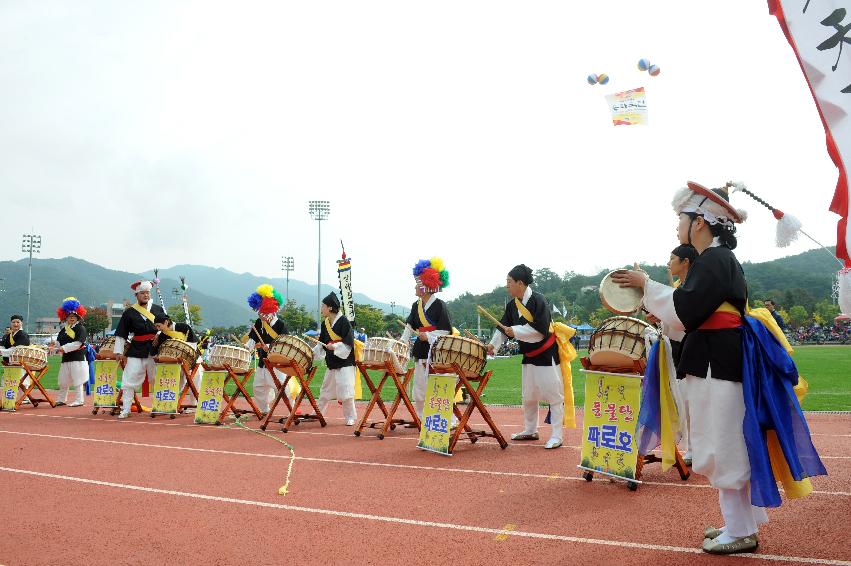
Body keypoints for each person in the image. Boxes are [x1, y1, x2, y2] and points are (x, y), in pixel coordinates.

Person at [612, 181, 826, 555]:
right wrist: (656, 298)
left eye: (681, 217)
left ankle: (741, 530)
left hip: (719, 365)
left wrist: (647, 285)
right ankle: (739, 524)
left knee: (724, 444)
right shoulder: (713, 261)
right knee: (722, 442)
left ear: (699, 222)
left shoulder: (715, 260)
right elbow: (686, 316)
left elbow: (685, 309)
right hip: (716, 361)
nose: (677, 225)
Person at [487, 264, 564, 449]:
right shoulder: (513, 305)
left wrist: (514, 331)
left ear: (520, 283)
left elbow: (541, 331)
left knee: (554, 395)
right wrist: (493, 345)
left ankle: (557, 435)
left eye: (509, 282)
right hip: (529, 355)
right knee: (529, 396)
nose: (507, 286)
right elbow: (503, 328)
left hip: (546, 354)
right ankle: (530, 430)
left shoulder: (539, 300)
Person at [400, 257, 452, 420]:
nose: (415, 287)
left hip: (436, 353)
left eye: (418, 283)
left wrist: (428, 335)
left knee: (438, 388)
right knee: (419, 390)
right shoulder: (416, 305)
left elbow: (446, 330)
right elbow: (409, 325)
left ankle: (444, 419)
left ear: (425, 286)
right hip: (421, 351)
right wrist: (402, 341)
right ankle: (422, 418)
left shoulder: (440, 305)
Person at [114, 281, 167, 419]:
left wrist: (159, 336)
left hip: (155, 349)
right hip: (136, 349)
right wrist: (119, 351)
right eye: (142, 293)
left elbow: (167, 327)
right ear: (136, 295)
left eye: (147, 292)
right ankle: (126, 409)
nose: (145, 295)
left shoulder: (157, 309)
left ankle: (161, 406)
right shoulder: (129, 312)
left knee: (157, 378)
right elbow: (121, 333)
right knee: (128, 379)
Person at [245, 284, 295, 415]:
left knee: (284, 389)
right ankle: (265, 409)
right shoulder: (258, 323)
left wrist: (271, 347)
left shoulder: (281, 325)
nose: (260, 315)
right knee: (258, 388)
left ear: (272, 311)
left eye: (263, 312)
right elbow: (252, 339)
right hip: (263, 362)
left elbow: (285, 344)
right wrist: (246, 349)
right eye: (259, 311)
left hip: (277, 363)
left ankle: (292, 409)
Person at [313, 292, 357, 426]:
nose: (321, 309)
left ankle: (350, 416)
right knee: (325, 390)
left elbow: (349, 342)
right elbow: (322, 343)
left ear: (330, 308)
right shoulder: (325, 323)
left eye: (323, 306)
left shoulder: (344, 321)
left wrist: (336, 346)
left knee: (346, 390)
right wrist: (314, 351)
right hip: (331, 362)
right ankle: (318, 414)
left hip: (345, 363)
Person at [52, 298, 89, 407]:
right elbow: (58, 342)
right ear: (65, 317)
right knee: (63, 380)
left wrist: (63, 348)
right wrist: (55, 346)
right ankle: (61, 399)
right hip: (66, 358)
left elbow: (78, 343)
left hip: (77, 357)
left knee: (78, 379)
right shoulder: (63, 330)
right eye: (69, 316)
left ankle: (79, 400)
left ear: (78, 317)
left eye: (73, 316)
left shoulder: (81, 328)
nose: (71, 318)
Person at [1, 315, 33, 401]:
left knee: (23, 379)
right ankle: (9, 399)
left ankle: (25, 398)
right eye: (13, 322)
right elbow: (4, 347)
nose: (15, 324)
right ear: (11, 323)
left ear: (21, 323)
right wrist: (2, 350)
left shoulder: (23, 335)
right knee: (7, 381)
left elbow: (17, 350)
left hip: (20, 362)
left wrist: (2, 352)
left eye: (18, 322)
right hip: (10, 362)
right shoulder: (9, 335)